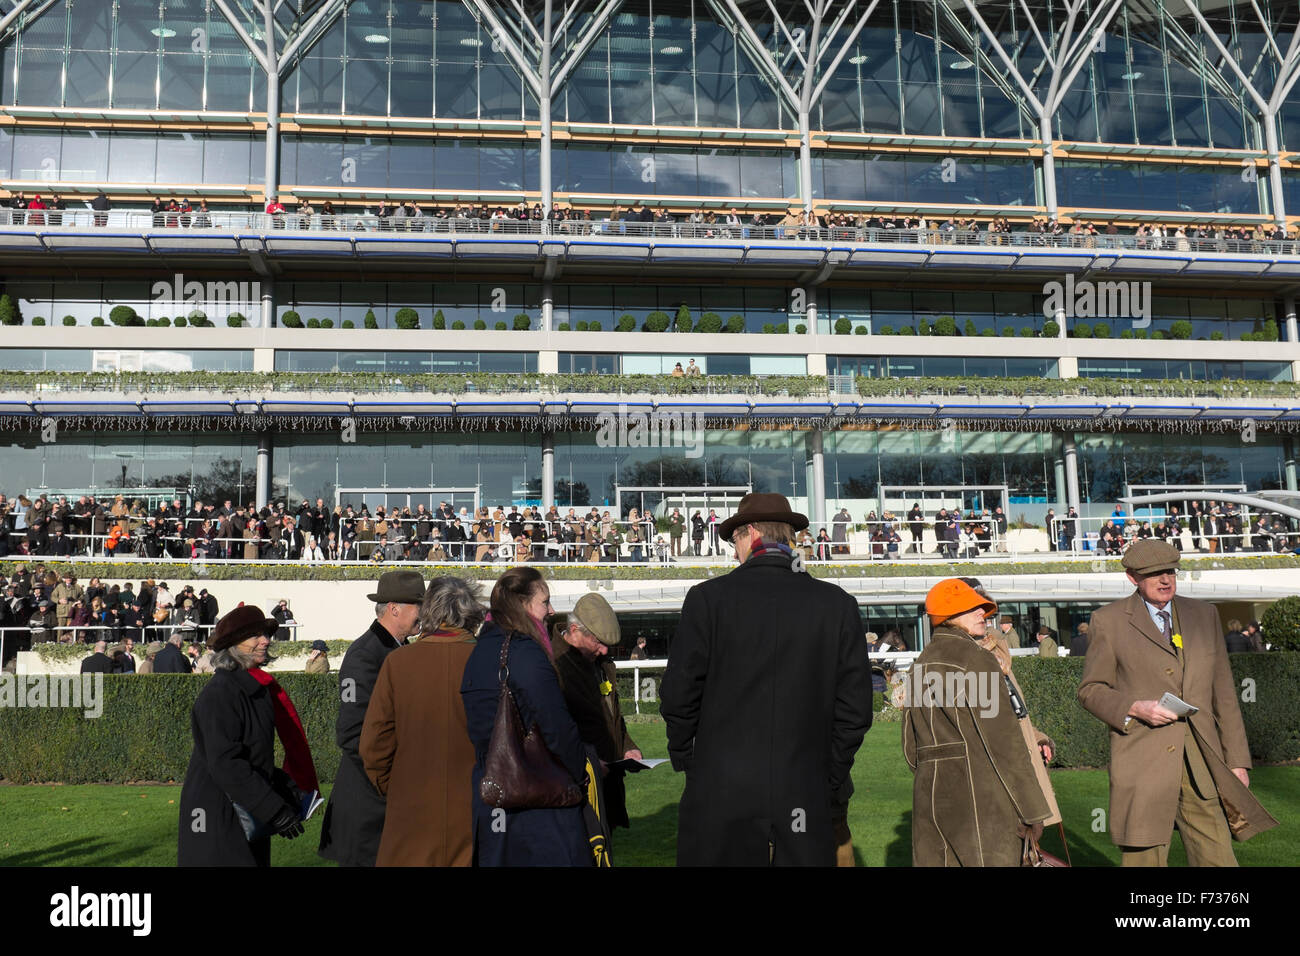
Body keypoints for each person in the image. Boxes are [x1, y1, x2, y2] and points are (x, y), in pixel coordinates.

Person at [660, 492, 872, 866]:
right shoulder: (836, 604)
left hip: (722, 791)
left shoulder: (708, 599)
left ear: (751, 533)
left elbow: (679, 696)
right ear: (788, 538)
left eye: (734, 541)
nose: (733, 552)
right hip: (804, 791)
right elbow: (855, 710)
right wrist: (829, 774)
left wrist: (688, 760)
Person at [1078, 539, 1276, 866]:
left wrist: (1237, 761)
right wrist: (1134, 708)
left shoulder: (1205, 614)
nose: (1165, 580)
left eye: (1169, 571)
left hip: (1203, 760)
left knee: (1219, 860)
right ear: (1132, 578)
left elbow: (1224, 694)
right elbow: (1091, 690)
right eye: (1154, 574)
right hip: (1143, 761)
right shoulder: (1108, 621)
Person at [904, 579, 1053, 866]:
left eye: (982, 608)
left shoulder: (918, 664)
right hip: (983, 804)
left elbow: (911, 749)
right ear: (948, 617)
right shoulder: (977, 659)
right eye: (971, 609)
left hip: (930, 801)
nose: (982, 614)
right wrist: (1033, 811)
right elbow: (1005, 745)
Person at [461, 566, 591, 866]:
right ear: (521, 603)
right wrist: (581, 771)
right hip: (538, 802)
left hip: (492, 796)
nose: (551, 610)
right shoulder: (524, 652)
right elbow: (557, 727)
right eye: (544, 602)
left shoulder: (480, 650)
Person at [178, 605, 317, 867]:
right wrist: (274, 811)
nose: (265, 641)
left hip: (244, 809)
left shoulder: (254, 689)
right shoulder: (220, 694)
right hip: (217, 815)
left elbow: (254, 756)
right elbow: (227, 764)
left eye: (265, 634)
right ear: (233, 645)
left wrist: (288, 789)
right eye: (255, 636)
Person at [360, 576, 484, 866]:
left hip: (411, 813)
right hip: (475, 810)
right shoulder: (491, 662)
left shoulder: (398, 662)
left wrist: (400, 789)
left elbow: (373, 746)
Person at [318, 570, 426, 867]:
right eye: (419, 606)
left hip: (384, 804)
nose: (424, 614)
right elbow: (353, 734)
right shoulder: (365, 655)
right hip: (368, 807)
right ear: (394, 609)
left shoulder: (394, 649)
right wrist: (393, 781)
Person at [550, 595, 642, 848]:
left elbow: (613, 718)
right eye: (598, 642)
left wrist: (627, 747)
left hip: (606, 789)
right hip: (575, 791)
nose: (604, 651)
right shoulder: (552, 665)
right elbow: (551, 731)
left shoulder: (600, 664)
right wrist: (587, 761)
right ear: (575, 630)